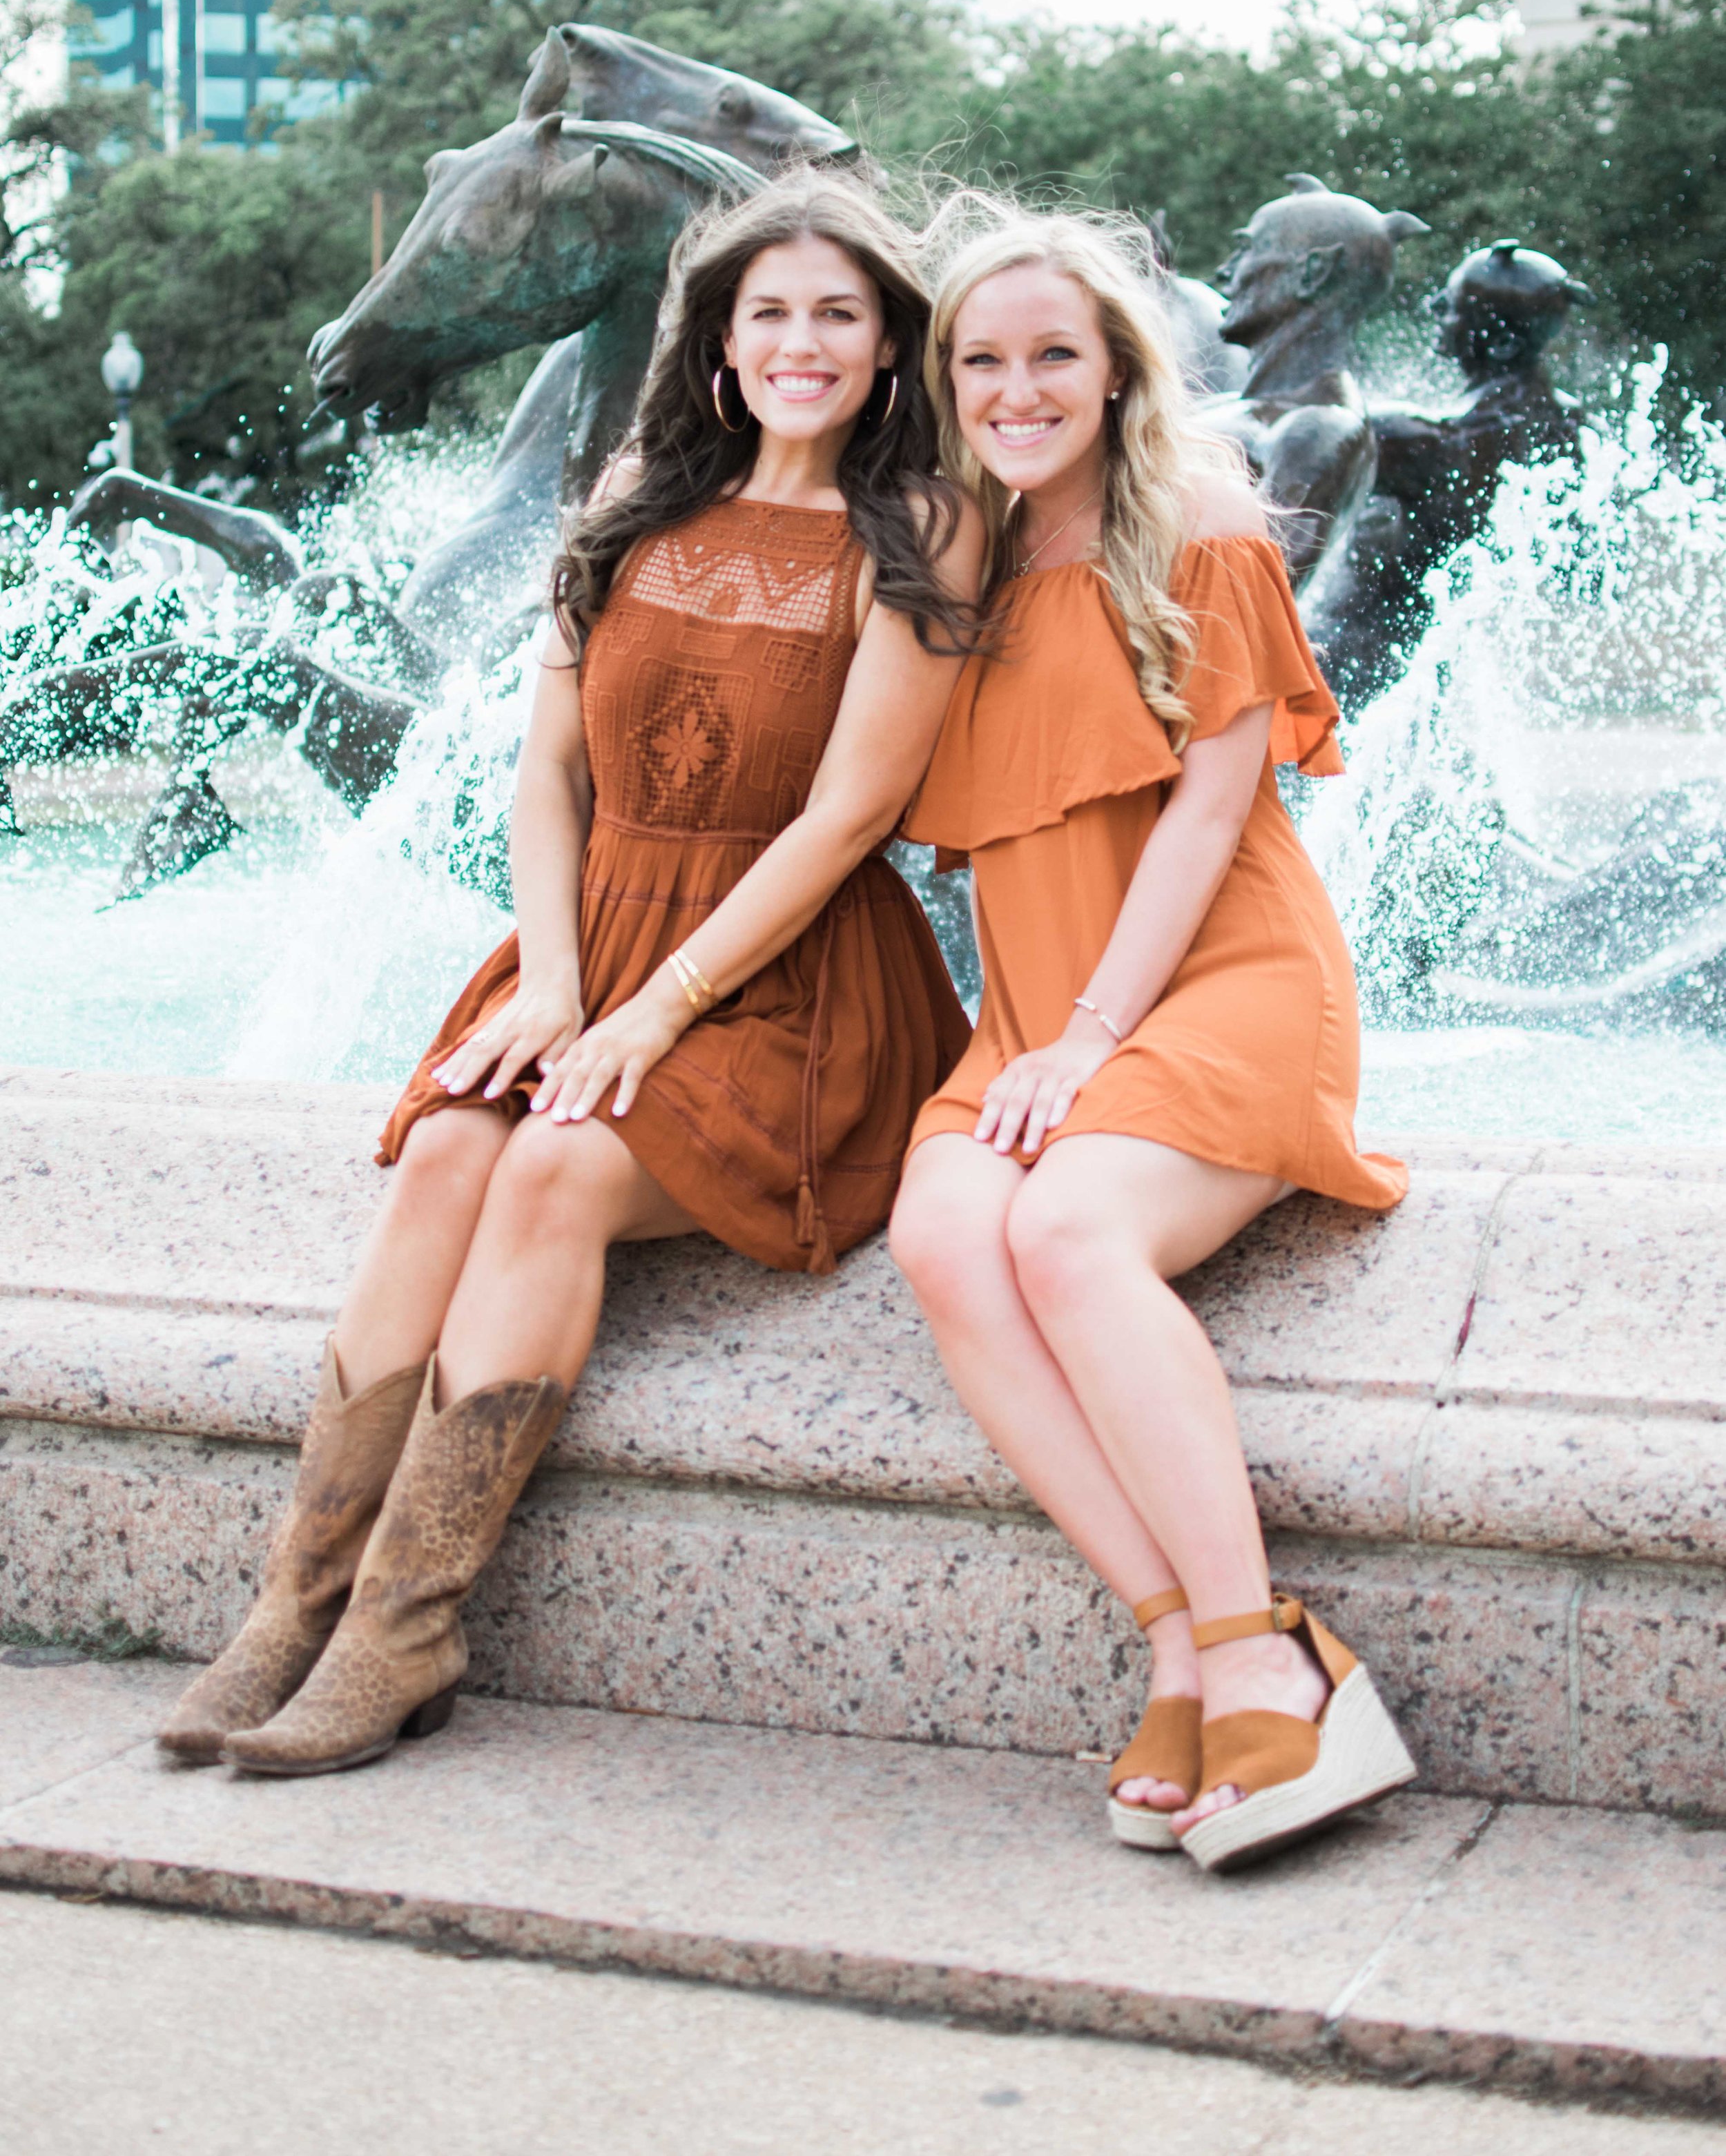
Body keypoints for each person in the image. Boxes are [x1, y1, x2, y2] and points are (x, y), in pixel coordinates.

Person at [158, 169, 982, 1778]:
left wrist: (653, 1011)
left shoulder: (924, 527)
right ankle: (293, 1599)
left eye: (838, 315)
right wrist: (550, 989)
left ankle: (404, 1625)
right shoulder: (632, 497)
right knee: (451, 1149)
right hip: (585, 937)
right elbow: (546, 781)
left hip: (789, 975)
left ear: (888, 349)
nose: (801, 343)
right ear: (722, 346)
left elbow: (847, 818)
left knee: (546, 1176)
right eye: (769, 316)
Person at [889, 205, 1412, 1873]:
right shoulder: (952, 548)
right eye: (982, 359)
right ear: (944, 378)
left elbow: (1206, 812)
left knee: (1062, 1224)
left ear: (1115, 367)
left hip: (1217, 977)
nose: (1017, 386)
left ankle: (1269, 1650)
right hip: (1036, 1008)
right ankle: (1176, 1634)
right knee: (943, 1239)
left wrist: (1088, 1041)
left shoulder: (1192, 513)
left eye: (1054, 353)